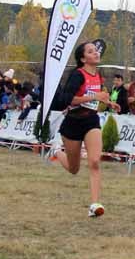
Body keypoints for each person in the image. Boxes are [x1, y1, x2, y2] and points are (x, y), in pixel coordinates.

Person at [49, 42, 119, 218]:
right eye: (90, 51)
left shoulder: (98, 75)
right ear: (82, 58)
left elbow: (95, 101)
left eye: (96, 50)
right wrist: (95, 96)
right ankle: (57, 151)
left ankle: (95, 205)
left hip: (90, 121)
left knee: (95, 161)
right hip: (72, 124)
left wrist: (109, 102)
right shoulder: (77, 75)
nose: (96, 53)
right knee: (74, 169)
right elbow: (67, 99)